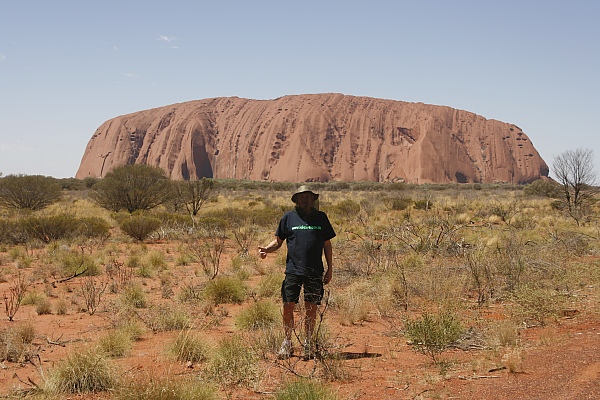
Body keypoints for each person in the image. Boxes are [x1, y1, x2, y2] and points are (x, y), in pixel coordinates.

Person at [258, 185, 336, 359]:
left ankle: (308, 342)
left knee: (311, 307)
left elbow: (327, 245)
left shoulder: (321, 218)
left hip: (315, 270)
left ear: (312, 199)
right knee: (288, 306)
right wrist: (266, 249)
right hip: (293, 270)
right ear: (296, 200)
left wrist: (330, 269)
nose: (304, 199)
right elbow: (278, 241)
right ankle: (287, 342)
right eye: (301, 197)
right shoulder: (289, 217)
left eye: (307, 196)